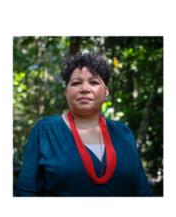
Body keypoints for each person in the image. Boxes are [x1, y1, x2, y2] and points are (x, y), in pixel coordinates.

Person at [14, 52, 153, 197]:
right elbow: (26, 192)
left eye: (93, 82)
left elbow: (142, 192)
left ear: (105, 92)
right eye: (76, 83)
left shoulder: (124, 133)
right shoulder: (44, 131)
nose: (85, 89)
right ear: (67, 92)